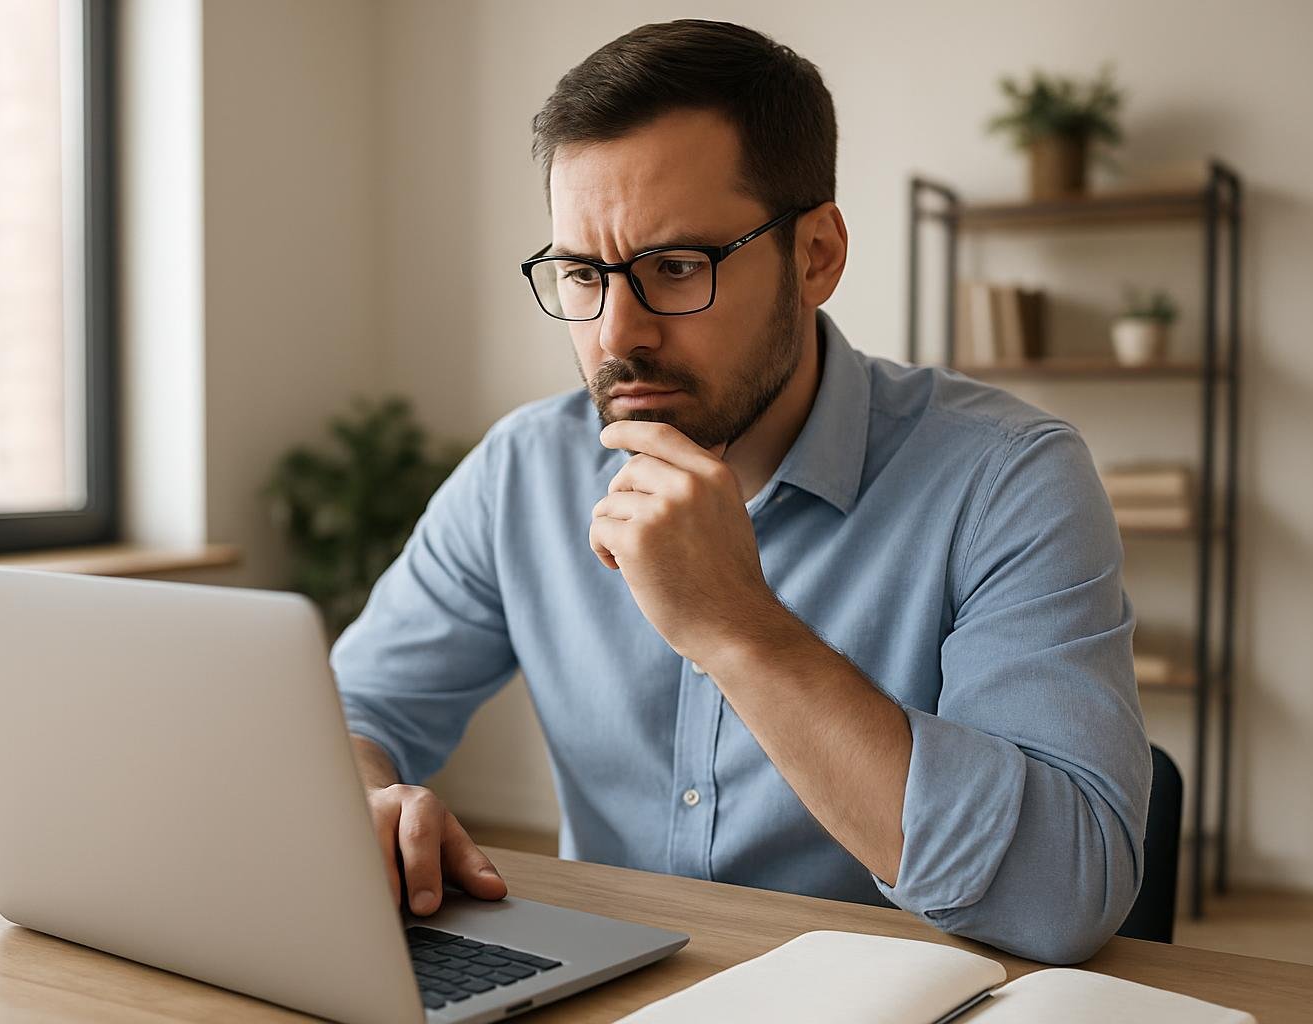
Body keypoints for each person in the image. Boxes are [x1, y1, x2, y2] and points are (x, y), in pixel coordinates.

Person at [334, 19, 1150, 965]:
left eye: (675, 268)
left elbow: (1065, 894)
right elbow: (352, 709)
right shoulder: (522, 470)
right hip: (609, 992)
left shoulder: (1006, 477)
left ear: (816, 256)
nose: (615, 333)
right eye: (580, 274)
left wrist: (736, 624)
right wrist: (362, 798)